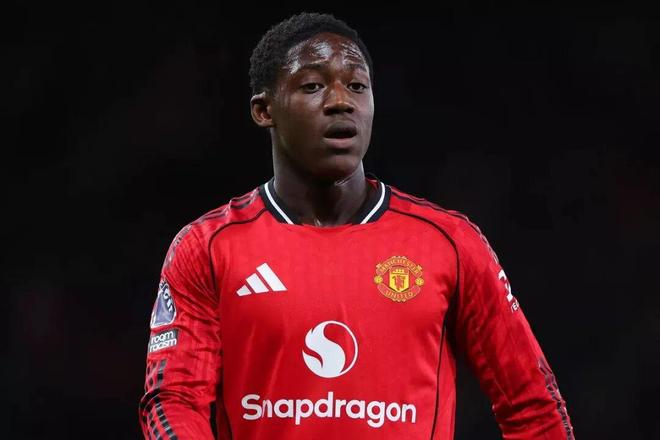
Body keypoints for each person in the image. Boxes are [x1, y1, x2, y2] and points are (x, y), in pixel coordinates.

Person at [139, 12, 574, 439]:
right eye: (313, 86)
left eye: (357, 86)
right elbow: (174, 399)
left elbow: (532, 404)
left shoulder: (448, 243)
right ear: (264, 109)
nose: (341, 101)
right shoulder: (209, 247)